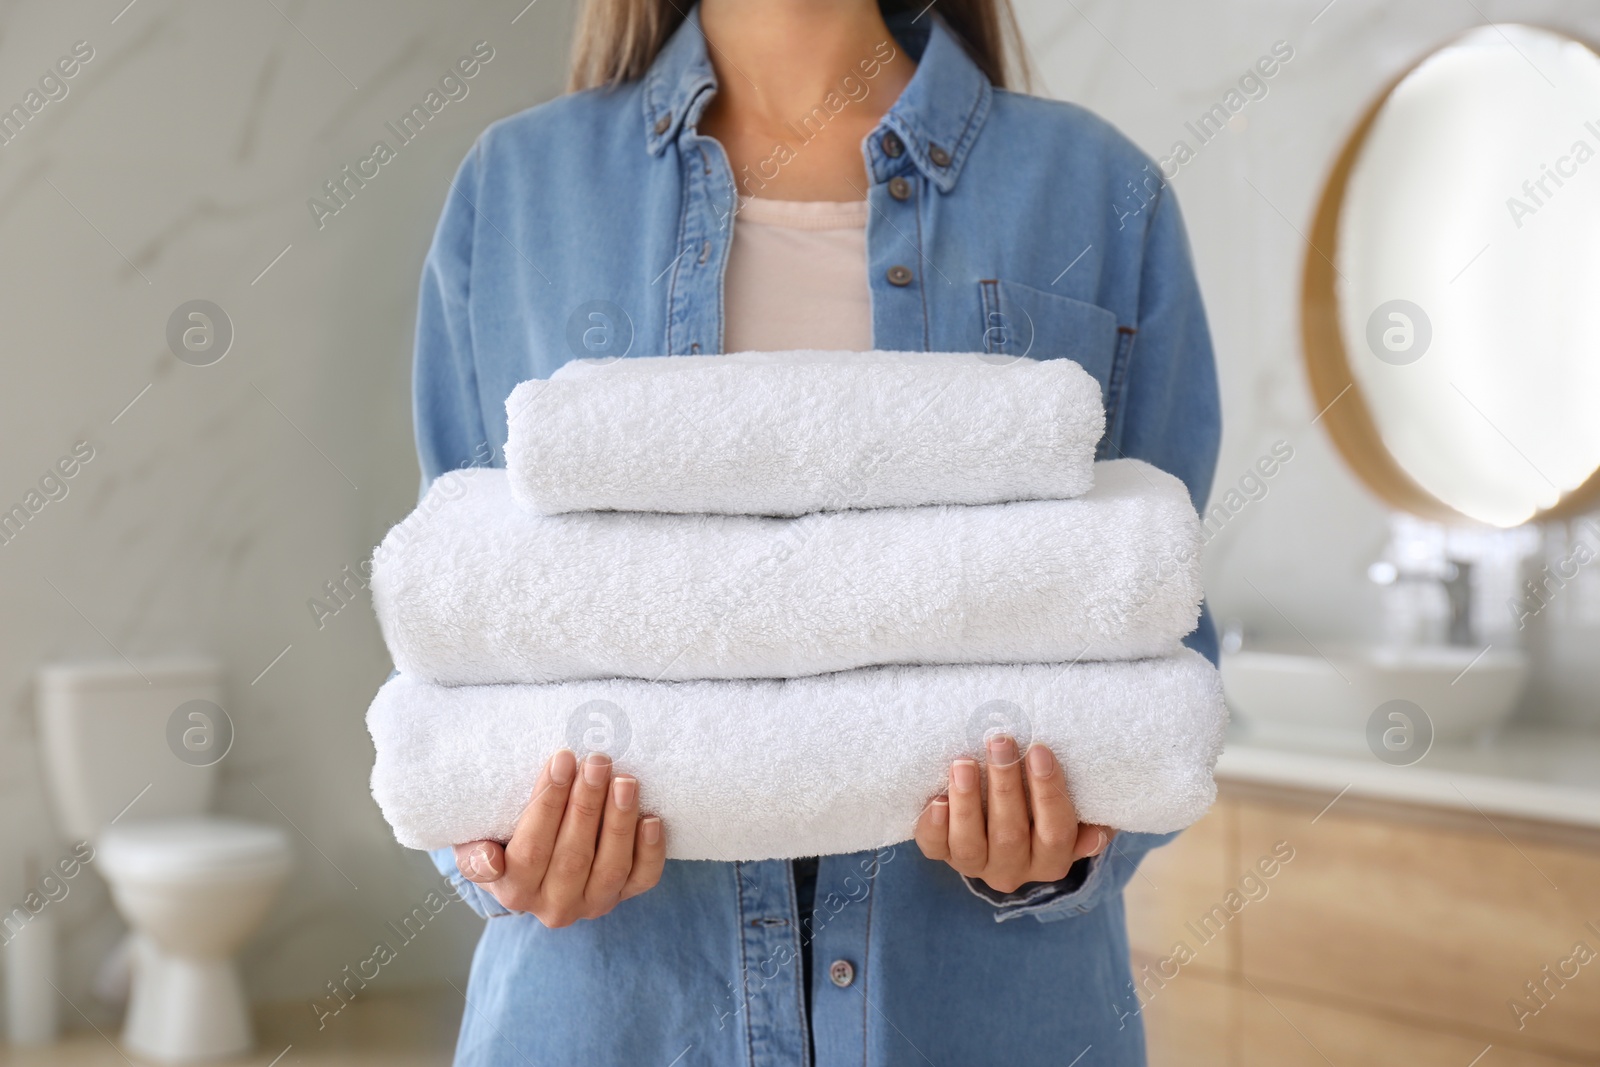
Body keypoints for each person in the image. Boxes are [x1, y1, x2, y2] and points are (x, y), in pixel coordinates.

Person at [410, 0, 1220, 1061]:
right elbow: (470, 630)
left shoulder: (1097, 194)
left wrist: (1064, 848)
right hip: (603, 1025)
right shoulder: (516, 193)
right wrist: (497, 850)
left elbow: (1157, 632)